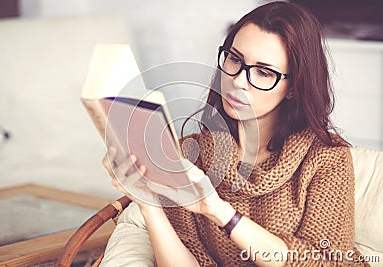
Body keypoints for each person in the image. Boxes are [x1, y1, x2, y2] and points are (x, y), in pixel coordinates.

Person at [101, 1, 370, 266]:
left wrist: (218, 211)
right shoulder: (190, 155)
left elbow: (325, 262)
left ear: (294, 88)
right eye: (234, 59)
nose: (238, 81)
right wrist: (148, 204)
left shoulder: (327, 158)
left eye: (264, 72)